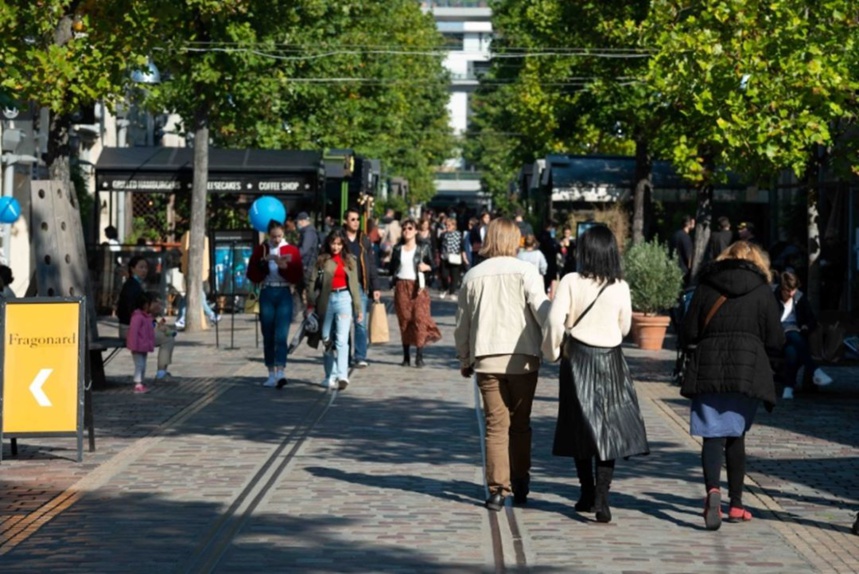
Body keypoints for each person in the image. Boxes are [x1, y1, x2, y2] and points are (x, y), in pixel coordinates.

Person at [542, 225, 649, 524]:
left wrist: (551, 351)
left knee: (581, 429)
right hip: (611, 359)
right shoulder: (620, 286)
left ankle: (587, 491)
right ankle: (602, 497)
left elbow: (553, 320)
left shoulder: (571, 281)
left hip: (577, 358)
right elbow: (625, 327)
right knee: (609, 430)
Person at [680, 241, 784, 530]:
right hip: (747, 369)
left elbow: (688, 330)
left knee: (712, 435)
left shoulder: (706, 286)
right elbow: (776, 338)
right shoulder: (763, 292)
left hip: (708, 366)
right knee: (736, 435)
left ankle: (713, 491)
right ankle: (736, 505)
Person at [454, 218, 550, 510]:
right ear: (515, 240)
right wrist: (554, 343)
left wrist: (465, 357)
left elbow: (462, 324)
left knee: (496, 427)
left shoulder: (473, 275)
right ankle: (521, 480)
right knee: (520, 425)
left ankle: (498, 489)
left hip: (487, 359)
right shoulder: (527, 272)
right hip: (523, 359)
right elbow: (542, 310)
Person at [246, 220, 304, 388]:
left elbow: (297, 275)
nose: (276, 240)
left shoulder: (291, 250)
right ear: (268, 235)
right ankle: (271, 371)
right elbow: (252, 274)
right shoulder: (262, 250)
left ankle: (281, 371)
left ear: (283, 234)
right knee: (268, 333)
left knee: (281, 333)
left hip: (284, 292)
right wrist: (264, 263)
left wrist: (283, 266)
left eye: (279, 236)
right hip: (267, 291)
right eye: (273, 237)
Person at [308, 229, 363, 391]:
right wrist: (311, 303)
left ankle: (342, 375)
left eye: (339, 244)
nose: (336, 247)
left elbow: (354, 285)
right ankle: (329, 375)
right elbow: (312, 282)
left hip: (344, 299)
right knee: (326, 338)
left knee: (342, 339)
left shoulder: (350, 261)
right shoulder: (321, 261)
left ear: (343, 244)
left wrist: (358, 309)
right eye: (333, 243)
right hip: (326, 301)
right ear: (328, 243)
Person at [389, 218, 441, 367]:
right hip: (401, 286)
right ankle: (406, 357)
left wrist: (427, 268)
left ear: (416, 231)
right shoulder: (397, 249)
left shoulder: (423, 248)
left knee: (420, 319)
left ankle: (419, 356)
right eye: (404, 228)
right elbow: (392, 268)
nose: (407, 231)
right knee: (404, 321)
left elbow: (434, 266)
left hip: (418, 288)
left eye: (410, 228)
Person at [117, 255, 176, 380]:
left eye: (146, 268)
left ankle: (161, 372)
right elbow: (133, 313)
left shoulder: (135, 285)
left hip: (135, 326)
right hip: (131, 329)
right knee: (168, 338)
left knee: (166, 332)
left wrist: (153, 322)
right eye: (141, 267)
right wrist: (151, 317)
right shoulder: (132, 287)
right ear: (132, 269)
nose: (144, 270)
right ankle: (161, 373)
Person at [775, 271, 832, 399]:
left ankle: (788, 388)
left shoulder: (799, 297)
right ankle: (815, 370)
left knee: (792, 352)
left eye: (793, 291)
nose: (790, 294)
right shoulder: (773, 298)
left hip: (796, 336)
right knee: (792, 335)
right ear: (781, 289)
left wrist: (806, 326)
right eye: (787, 291)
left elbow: (811, 319)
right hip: (777, 336)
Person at [343, 207, 382, 368]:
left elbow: (371, 264)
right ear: (345, 221)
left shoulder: (364, 239)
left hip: (360, 286)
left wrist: (375, 286)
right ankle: (344, 356)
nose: (356, 222)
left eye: (358, 219)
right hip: (342, 286)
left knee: (360, 323)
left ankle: (360, 356)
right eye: (352, 219)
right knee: (344, 324)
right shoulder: (338, 238)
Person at [126, 292, 160, 394]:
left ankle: (140, 381)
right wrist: (133, 345)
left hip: (144, 346)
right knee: (139, 365)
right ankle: (138, 382)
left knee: (143, 365)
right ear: (146, 304)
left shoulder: (147, 317)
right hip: (137, 347)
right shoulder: (137, 317)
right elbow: (133, 332)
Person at [438, 216, 467, 300]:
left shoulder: (458, 234)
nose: (447, 227)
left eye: (449, 225)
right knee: (444, 275)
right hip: (445, 257)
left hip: (455, 258)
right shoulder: (443, 235)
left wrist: (464, 257)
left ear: (454, 226)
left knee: (455, 277)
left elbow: (462, 247)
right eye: (446, 225)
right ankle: (445, 288)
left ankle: (452, 292)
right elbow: (439, 244)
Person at [296, 211, 320, 291]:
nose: (297, 224)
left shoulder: (308, 232)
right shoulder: (307, 232)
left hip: (307, 266)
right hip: (305, 265)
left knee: (308, 291)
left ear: (302, 221)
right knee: (299, 290)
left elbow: (304, 249)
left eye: (298, 222)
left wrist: (293, 255)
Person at [670, 215, 695, 286]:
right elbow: (688, 256)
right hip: (683, 271)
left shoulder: (675, 235)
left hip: (673, 268)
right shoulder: (686, 237)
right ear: (688, 224)